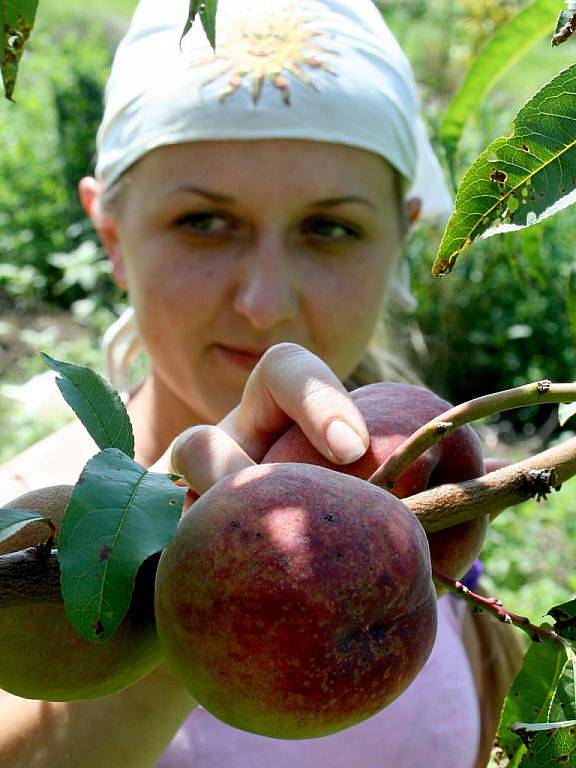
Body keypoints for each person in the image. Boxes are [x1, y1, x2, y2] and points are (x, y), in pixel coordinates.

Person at [0, 1, 524, 766]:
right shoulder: (25, 541)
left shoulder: (413, 489)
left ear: (401, 239)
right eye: (203, 222)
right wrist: (200, 577)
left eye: (330, 228)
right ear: (110, 236)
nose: (264, 301)